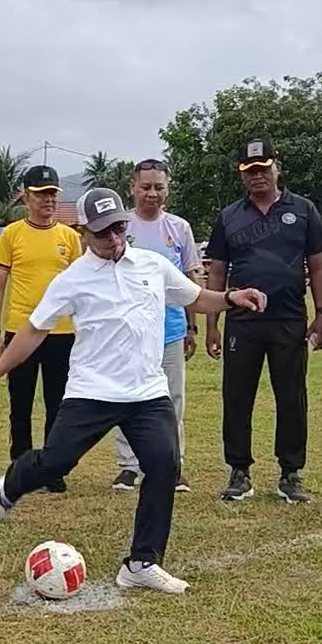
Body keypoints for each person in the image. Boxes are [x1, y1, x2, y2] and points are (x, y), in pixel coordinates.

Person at [0, 188, 268, 594]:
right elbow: (33, 331)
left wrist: (231, 297)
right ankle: (6, 492)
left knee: (164, 465)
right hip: (92, 391)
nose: (114, 239)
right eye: (104, 232)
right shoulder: (71, 280)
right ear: (85, 232)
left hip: (146, 393)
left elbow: (195, 297)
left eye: (119, 229)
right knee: (54, 464)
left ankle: (142, 562)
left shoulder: (152, 265)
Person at [204, 138, 322, 503]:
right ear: (242, 176)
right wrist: (213, 323)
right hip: (241, 321)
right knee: (237, 396)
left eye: (263, 168)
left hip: (289, 318)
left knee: (291, 396)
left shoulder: (303, 210)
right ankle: (239, 471)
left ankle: (291, 473)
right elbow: (217, 271)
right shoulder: (229, 216)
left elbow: (318, 266)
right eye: (250, 171)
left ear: (277, 167)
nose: (258, 176)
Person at [0, 165, 82, 492]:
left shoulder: (70, 238)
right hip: (20, 332)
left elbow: (82, 288)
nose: (48, 200)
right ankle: (21, 467)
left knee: (59, 405)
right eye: (41, 194)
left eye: (53, 194)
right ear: (25, 196)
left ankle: (52, 469)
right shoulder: (12, 234)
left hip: (61, 333)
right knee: (20, 404)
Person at [111, 159, 201, 493]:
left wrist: (193, 327)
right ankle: (129, 467)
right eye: (145, 187)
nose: (152, 193)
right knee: (124, 398)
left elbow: (191, 278)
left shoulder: (179, 228)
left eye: (159, 187)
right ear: (131, 187)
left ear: (168, 188)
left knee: (171, 400)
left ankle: (172, 467)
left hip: (170, 329)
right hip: (127, 333)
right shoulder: (119, 227)